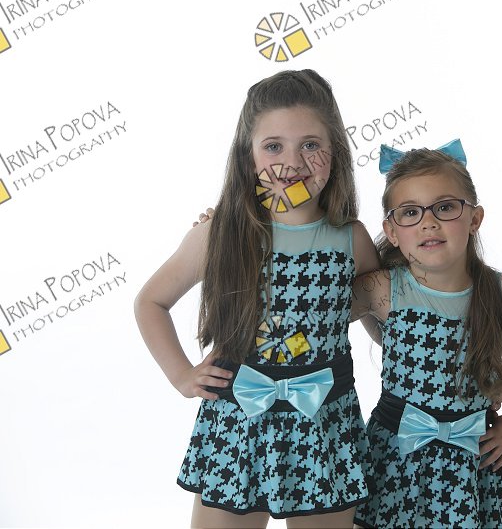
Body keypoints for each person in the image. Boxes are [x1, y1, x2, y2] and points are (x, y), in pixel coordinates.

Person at [134, 69, 378, 529]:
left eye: (310, 144)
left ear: (336, 153)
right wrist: (182, 375)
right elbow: (150, 302)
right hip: (237, 423)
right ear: (247, 158)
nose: (292, 161)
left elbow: (369, 307)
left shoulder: (352, 239)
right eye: (273, 146)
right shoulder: (219, 234)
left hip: (325, 424)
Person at [350, 142, 502, 528]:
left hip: (471, 464)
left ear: (474, 218)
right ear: (392, 231)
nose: (428, 222)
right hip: (393, 458)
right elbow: (313, 324)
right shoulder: (381, 288)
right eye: (411, 212)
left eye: (445, 207)